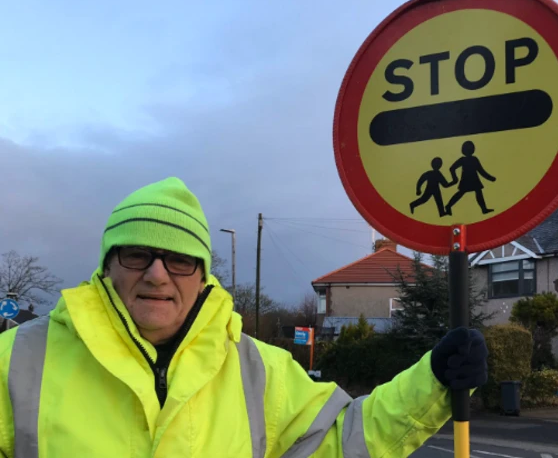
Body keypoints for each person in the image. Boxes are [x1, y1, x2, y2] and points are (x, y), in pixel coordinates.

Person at [0, 177, 488, 457]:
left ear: (202, 275)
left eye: (179, 259)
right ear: (107, 264)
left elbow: (345, 440)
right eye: (136, 254)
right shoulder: (18, 360)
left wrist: (433, 381)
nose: (156, 275)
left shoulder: (258, 372)